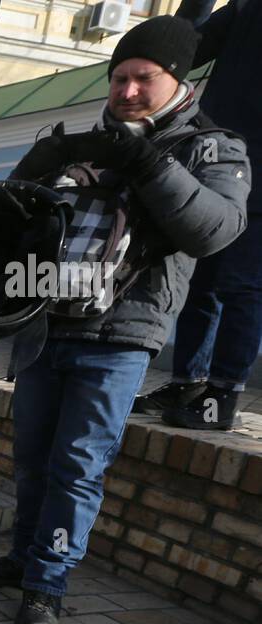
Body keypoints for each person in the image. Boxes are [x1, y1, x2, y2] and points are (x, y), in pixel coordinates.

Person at [0, 15, 250, 624]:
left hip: (121, 336)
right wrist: (35, 175)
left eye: (142, 78)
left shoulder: (212, 146)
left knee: (77, 465)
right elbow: (18, 236)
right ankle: (22, 558)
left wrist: (145, 160)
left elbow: (213, 230)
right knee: (33, 459)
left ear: (178, 81)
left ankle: (46, 585)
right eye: (118, 78)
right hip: (46, 325)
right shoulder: (92, 142)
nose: (125, 91)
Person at [133, 0, 262, 430]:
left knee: (241, 286)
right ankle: (188, 382)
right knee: (199, 284)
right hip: (215, 163)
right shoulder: (245, 11)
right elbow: (185, 49)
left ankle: (224, 394)